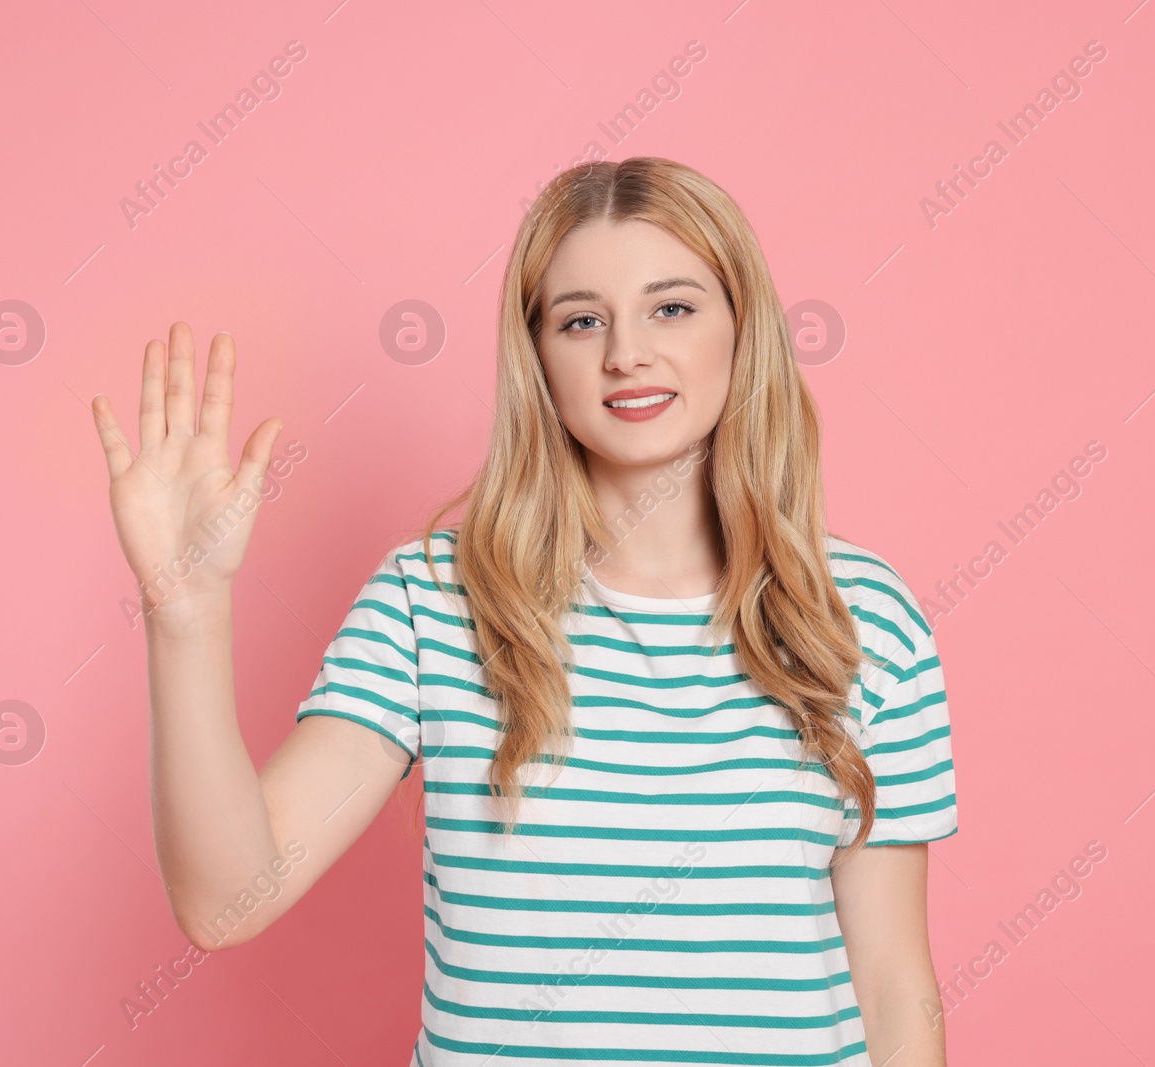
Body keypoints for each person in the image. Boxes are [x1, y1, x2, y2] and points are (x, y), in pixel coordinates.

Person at [90, 156, 958, 1066]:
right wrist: (184, 612)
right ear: (537, 355)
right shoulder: (435, 600)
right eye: (581, 320)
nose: (626, 351)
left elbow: (898, 988)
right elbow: (228, 897)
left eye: (673, 307)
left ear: (744, 330)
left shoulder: (859, 617)